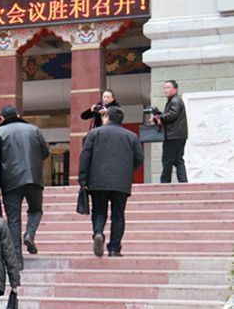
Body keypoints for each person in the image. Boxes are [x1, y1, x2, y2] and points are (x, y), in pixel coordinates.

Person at [79, 106, 144, 257]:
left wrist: (83, 179)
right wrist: (126, 171)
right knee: (118, 214)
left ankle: (98, 232)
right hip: (121, 182)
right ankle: (114, 248)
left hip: (98, 181)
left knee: (99, 210)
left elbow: (85, 156)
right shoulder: (132, 136)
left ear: (106, 117)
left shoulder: (94, 133)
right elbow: (139, 158)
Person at [0, 105, 49, 266]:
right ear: (17, 115)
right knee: (36, 210)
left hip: (10, 182)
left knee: (13, 221)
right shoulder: (34, 129)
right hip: (34, 179)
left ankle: (17, 261)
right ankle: (30, 234)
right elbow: (45, 152)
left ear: (1, 118)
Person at [154, 80, 188, 183]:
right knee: (178, 160)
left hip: (173, 136)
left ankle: (165, 184)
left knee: (167, 160)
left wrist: (160, 117)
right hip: (179, 135)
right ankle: (183, 183)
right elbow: (172, 114)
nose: (165, 90)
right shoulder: (176, 100)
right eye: (164, 88)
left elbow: (172, 115)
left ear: (175, 89)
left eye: (168, 87)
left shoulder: (175, 101)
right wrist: (160, 114)